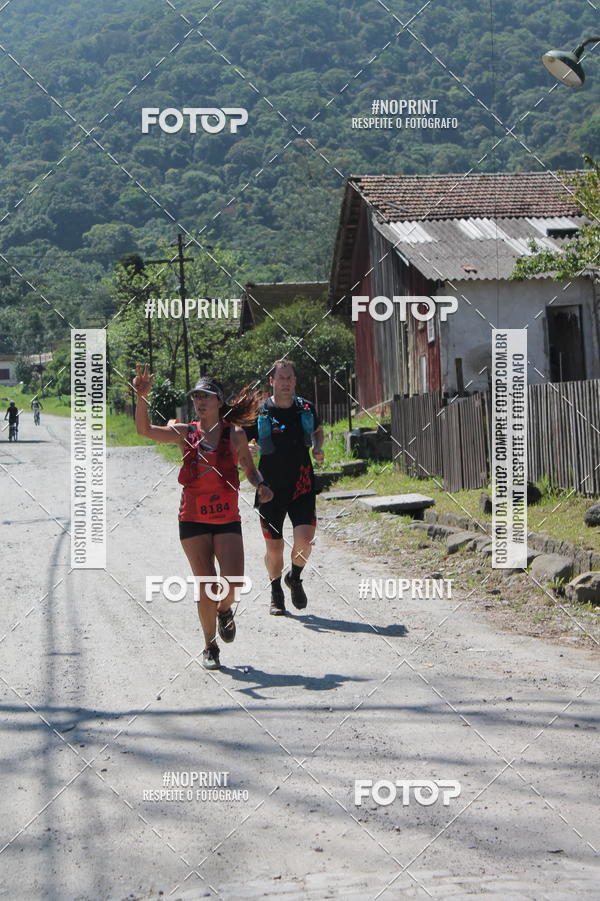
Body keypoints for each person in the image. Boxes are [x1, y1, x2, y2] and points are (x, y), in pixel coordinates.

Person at [133, 364, 273, 669]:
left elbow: (249, 469)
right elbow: (145, 431)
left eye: (206, 396)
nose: (200, 400)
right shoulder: (186, 432)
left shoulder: (235, 434)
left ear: (219, 401)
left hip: (226, 519)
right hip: (193, 520)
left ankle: (224, 610)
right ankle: (210, 646)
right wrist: (141, 397)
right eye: (197, 396)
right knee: (206, 584)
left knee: (233, 582)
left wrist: (261, 485)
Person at [248, 360, 325, 615]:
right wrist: (248, 449)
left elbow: (318, 430)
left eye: (289, 378)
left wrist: (318, 446)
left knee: (305, 539)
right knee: (275, 547)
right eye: (280, 378)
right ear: (272, 381)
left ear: (294, 380)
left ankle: (295, 577)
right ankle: (275, 591)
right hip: (269, 488)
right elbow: (243, 441)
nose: (285, 383)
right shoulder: (259, 412)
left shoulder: (306, 408)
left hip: (301, 484)